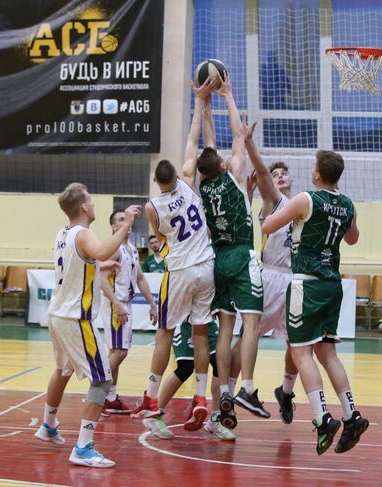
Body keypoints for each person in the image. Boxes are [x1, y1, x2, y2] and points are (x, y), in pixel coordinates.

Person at [262, 150, 369, 456]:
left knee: (301, 353)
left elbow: (268, 227)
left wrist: (274, 207)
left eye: (313, 167)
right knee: (328, 353)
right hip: (332, 285)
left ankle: (323, 418)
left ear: (318, 174)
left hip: (306, 283)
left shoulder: (305, 200)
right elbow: (352, 239)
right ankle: (351, 415)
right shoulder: (348, 204)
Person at [130, 79, 218, 432]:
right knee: (201, 334)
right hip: (206, 266)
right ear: (176, 176)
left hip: (180, 269)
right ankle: (201, 397)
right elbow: (193, 141)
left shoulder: (153, 207)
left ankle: (152, 397)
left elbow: (158, 238)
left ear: (155, 180)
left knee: (165, 332)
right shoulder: (188, 182)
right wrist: (200, 103)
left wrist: (165, 249)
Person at [34, 182, 141, 468]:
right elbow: (102, 250)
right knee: (103, 379)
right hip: (75, 318)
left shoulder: (63, 233)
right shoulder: (83, 233)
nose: (93, 205)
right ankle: (83, 447)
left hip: (57, 314)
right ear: (83, 206)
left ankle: (48, 425)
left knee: (64, 369)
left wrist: (99, 267)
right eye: (91, 200)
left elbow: (82, 262)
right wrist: (126, 225)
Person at [194, 73, 269, 428]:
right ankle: (248, 388)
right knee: (251, 324)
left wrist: (203, 104)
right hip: (241, 255)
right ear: (223, 166)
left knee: (225, 328)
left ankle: (223, 390)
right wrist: (227, 96)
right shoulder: (234, 174)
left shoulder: (204, 186)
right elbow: (239, 135)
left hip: (217, 258)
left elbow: (209, 144)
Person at [239, 117, 299, 424]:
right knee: (247, 336)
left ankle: (286, 391)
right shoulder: (275, 200)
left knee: (297, 344)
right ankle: (231, 391)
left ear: (291, 178)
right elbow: (262, 173)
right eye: (275, 175)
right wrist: (249, 144)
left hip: (295, 280)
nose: (279, 176)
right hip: (271, 277)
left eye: (283, 173)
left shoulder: (302, 204)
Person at [100, 210, 158, 414]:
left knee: (116, 352)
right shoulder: (114, 248)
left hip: (125, 304)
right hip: (115, 304)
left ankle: (110, 397)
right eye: (121, 219)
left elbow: (140, 278)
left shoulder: (131, 249)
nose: (126, 222)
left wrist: (152, 304)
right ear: (114, 226)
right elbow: (102, 280)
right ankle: (98, 393)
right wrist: (116, 303)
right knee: (119, 352)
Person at [143, 319, 236, 441]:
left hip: (206, 321)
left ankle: (216, 418)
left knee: (220, 363)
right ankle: (154, 414)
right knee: (185, 367)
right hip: (184, 320)